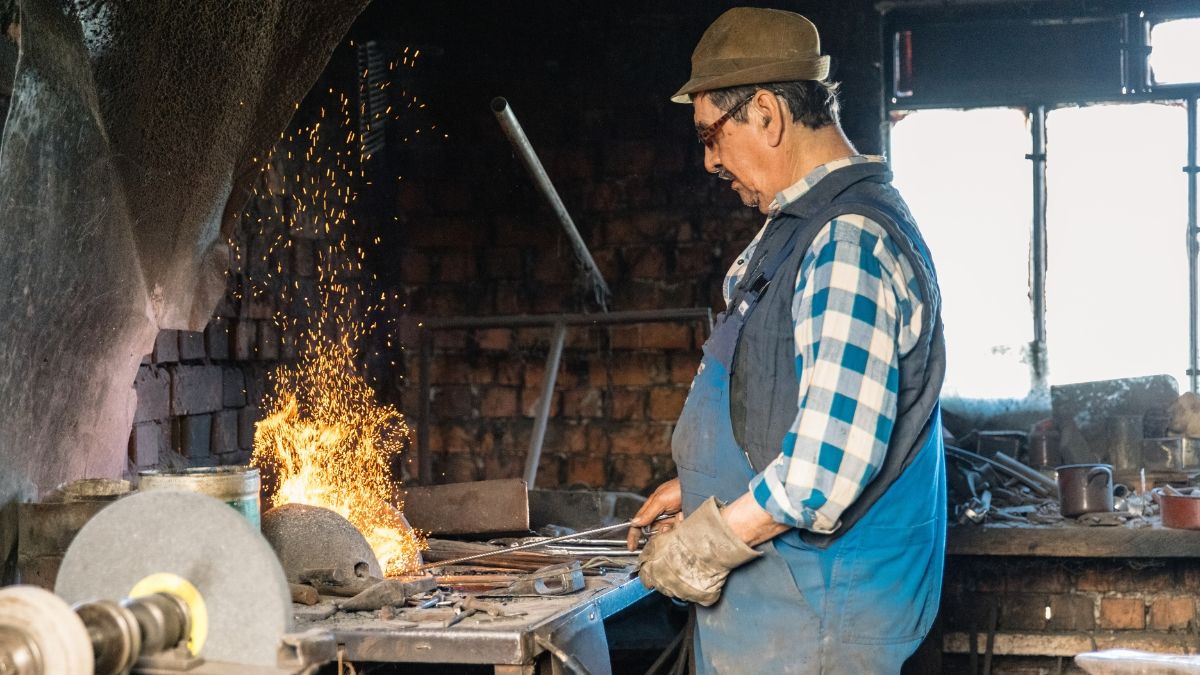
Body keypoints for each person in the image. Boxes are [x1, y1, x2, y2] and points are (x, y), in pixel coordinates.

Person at [626, 8, 948, 673]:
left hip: (821, 634)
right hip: (778, 624)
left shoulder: (848, 242)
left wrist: (700, 544)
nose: (711, 159)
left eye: (712, 134)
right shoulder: (793, 232)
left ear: (766, 114)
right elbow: (790, 407)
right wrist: (701, 487)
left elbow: (822, 473)